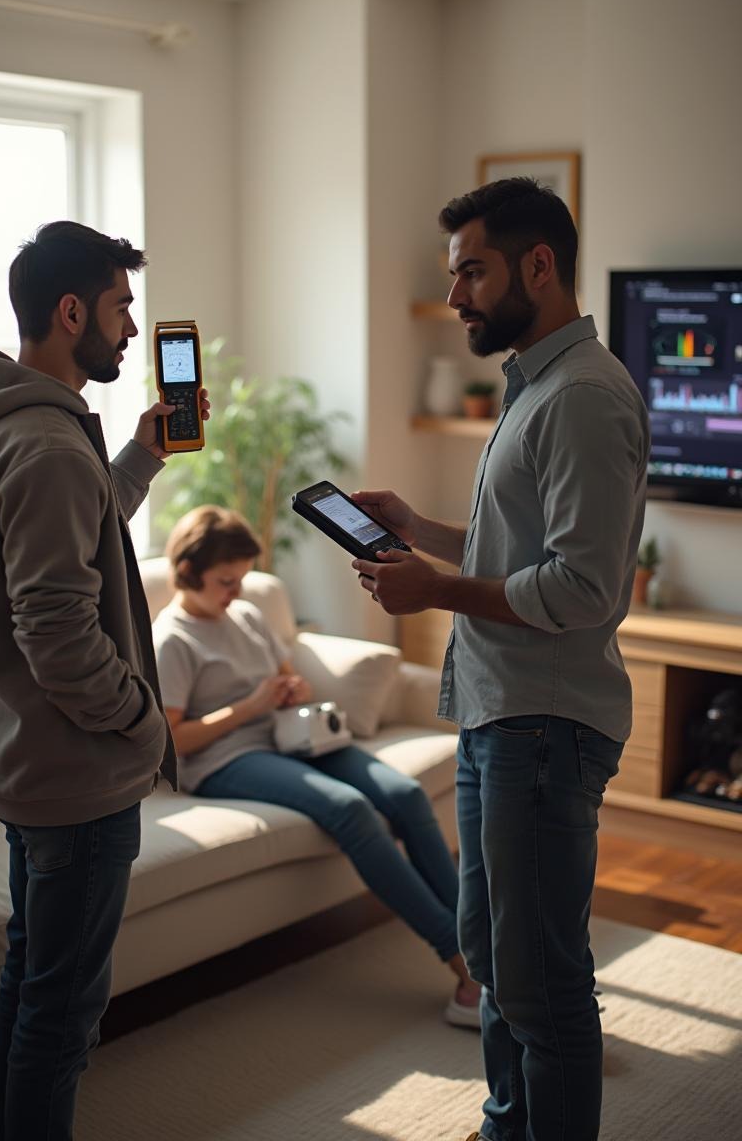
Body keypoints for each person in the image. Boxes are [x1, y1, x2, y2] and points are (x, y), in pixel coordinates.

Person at [351, 177, 649, 1141]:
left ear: (539, 266)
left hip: (543, 729)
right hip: (497, 718)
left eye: (472, 272)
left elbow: (580, 589)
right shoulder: (536, 387)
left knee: (541, 982)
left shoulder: (584, 399)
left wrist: (433, 591)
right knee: (492, 961)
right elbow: (513, 552)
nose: (455, 297)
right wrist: (420, 533)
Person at [0, 220, 209, 1141]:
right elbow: (57, 632)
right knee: (61, 1020)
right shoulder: (49, 445)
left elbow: (75, 539)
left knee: (31, 987)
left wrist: (141, 456)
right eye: (120, 307)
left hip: (24, 765)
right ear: (70, 313)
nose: (131, 328)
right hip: (76, 774)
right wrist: (141, 720)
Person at [151, 504, 483, 1027]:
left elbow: (285, 674)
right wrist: (251, 707)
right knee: (351, 809)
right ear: (188, 571)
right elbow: (172, 741)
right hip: (225, 758)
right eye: (225, 581)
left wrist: (292, 688)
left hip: (291, 737)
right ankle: (465, 968)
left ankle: (483, 947)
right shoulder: (173, 638)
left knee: (404, 794)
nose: (235, 592)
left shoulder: (246, 615)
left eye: (241, 580)